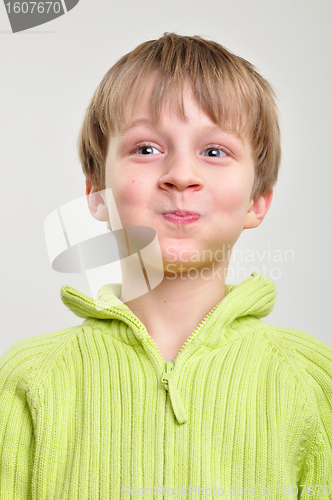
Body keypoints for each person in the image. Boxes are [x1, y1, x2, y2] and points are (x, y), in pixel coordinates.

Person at [0, 32, 331, 499]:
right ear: (97, 192)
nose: (180, 174)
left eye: (214, 151)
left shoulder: (313, 379)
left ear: (258, 201)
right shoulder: (27, 379)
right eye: (147, 149)